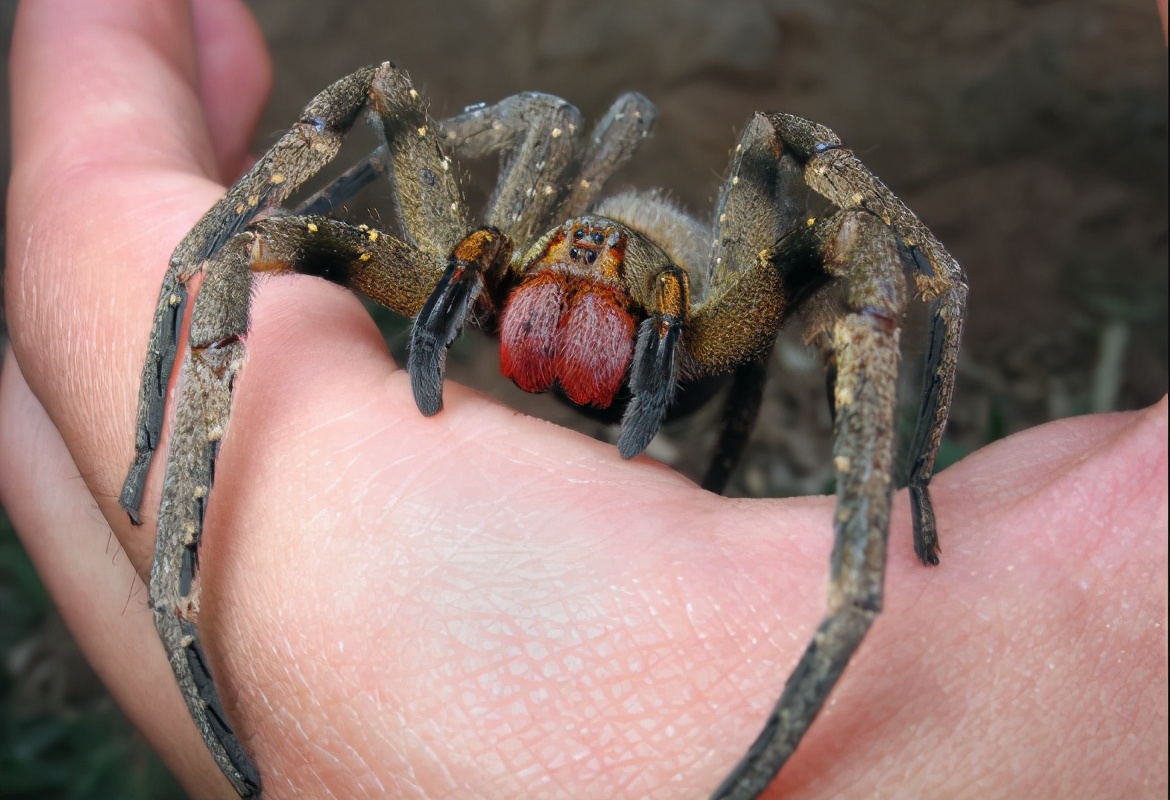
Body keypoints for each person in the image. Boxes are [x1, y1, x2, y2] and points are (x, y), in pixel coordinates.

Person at [1, 1, 1165, 797]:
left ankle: (853, 591)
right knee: (309, 188)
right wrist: (179, 307)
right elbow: (386, 117)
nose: (580, 281)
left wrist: (897, 501)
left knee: (836, 221)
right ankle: (177, 577)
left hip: (694, 336)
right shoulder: (487, 243)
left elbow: (908, 262)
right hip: (506, 265)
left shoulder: (725, 313)